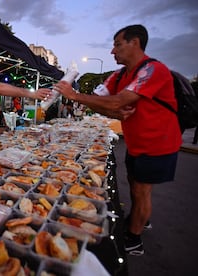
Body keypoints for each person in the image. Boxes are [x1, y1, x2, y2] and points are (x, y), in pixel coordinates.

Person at [55, 24, 182, 256]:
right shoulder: (119, 74)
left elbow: (118, 101)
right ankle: (140, 219)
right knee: (135, 186)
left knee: (142, 191)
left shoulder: (152, 70)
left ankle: (134, 240)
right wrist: (113, 112)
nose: (113, 51)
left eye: (117, 45)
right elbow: (97, 100)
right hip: (135, 142)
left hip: (158, 143)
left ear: (135, 43)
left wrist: (74, 95)